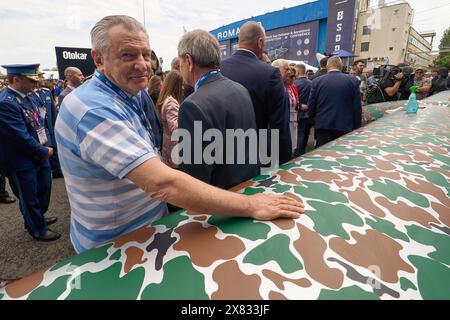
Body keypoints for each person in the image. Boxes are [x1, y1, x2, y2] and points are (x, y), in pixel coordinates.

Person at [55, 15, 304, 253]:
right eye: (128, 55)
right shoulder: (91, 109)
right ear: (98, 59)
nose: (143, 64)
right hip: (114, 245)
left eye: (145, 54)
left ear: (188, 61)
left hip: (154, 228)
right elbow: (162, 183)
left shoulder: (133, 92)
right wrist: (251, 203)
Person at [177, 29, 260, 189]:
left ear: (189, 61)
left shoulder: (192, 105)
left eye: (180, 63)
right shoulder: (240, 89)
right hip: (250, 188)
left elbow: (193, 179)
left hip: (220, 202)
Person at [0, 64, 59, 241]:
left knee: (44, 188)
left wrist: (47, 147)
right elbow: (20, 137)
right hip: (21, 159)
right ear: (16, 79)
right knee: (28, 196)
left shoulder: (28, 97)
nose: (37, 83)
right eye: (31, 80)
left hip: (39, 153)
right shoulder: (6, 102)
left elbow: (39, 123)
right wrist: (43, 150)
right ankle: (37, 228)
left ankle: (37, 217)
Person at [220, 21, 292, 166]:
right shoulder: (269, 73)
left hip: (220, 154)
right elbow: (279, 124)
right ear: (260, 42)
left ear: (239, 41)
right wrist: (284, 162)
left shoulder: (219, 68)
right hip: (256, 158)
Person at [308, 56, 362, 147]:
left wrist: (313, 121)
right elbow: (357, 107)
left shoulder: (317, 81)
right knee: (341, 153)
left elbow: (311, 104)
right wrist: (356, 127)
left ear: (327, 66)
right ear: (341, 66)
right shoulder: (353, 81)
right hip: (345, 125)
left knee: (322, 154)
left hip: (323, 125)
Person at [33, 70, 63, 178]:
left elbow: (53, 111)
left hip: (50, 128)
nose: (42, 79)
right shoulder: (29, 95)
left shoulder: (46, 92)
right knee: (45, 151)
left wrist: (56, 124)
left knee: (54, 149)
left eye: (42, 77)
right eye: (40, 77)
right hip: (40, 130)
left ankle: (56, 171)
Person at [156, 70, 184, 168]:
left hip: (169, 150)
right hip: (174, 151)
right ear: (176, 85)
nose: (183, 87)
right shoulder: (171, 103)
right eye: (181, 84)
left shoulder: (167, 100)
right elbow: (176, 129)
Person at [273, 60, 298, 155]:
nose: (291, 78)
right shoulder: (276, 87)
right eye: (286, 70)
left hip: (293, 122)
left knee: (290, 148)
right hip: (281, 125)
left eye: (293, 76)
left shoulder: (293, 88)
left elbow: (295, 102)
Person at [293, 64, 313, 156]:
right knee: (305, 134)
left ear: (297, 72)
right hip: (309, 114)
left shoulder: (295, 84)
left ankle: (298, 154)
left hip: (298, 114)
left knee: (299, 135)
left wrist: (300, 106)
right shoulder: (311, 83)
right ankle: (302, 152)